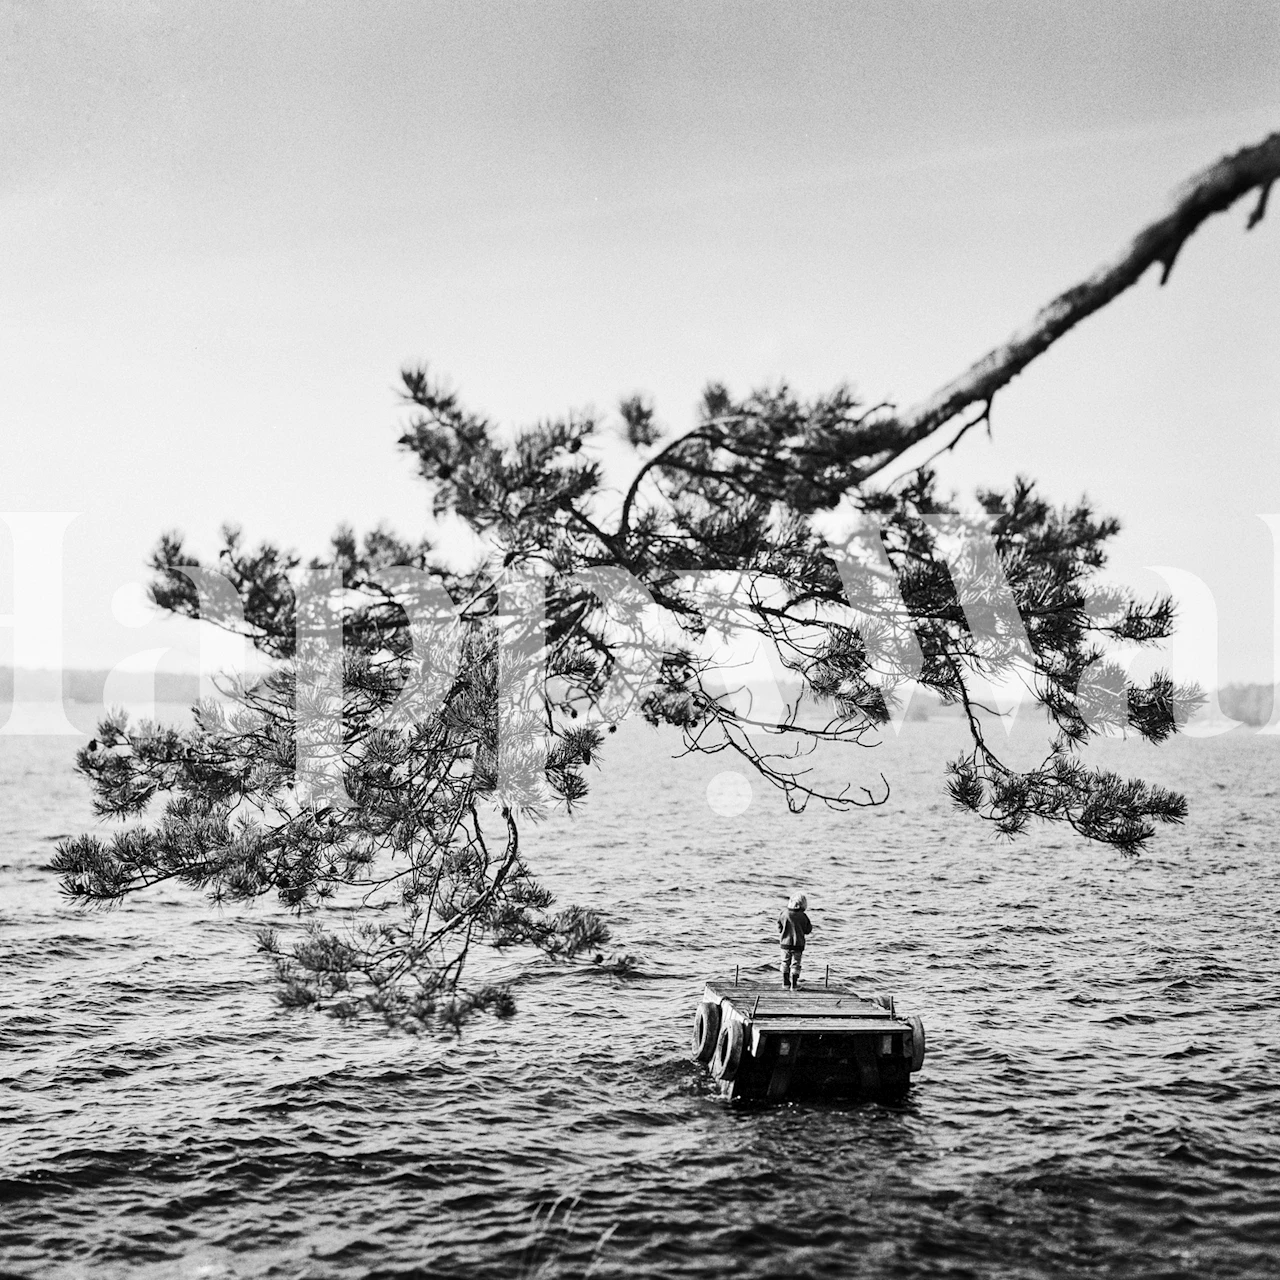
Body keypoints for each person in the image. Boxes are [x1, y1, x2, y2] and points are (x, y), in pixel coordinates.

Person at [777, 892, 813, 989]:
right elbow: (808, 930)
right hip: (798, 944)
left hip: (785, 943)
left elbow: (779, 927)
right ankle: (794, 984)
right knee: (796, 964)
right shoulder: (803, 916)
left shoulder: (783, 913)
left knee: (785, 962)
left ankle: (785, 983)